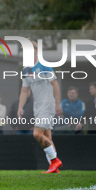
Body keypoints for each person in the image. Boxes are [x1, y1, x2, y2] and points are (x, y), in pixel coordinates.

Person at [17, 38, 63, 174]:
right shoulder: (25, 70)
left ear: (36, 51)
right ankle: (53, 167)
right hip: (38, 108)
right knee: (47, 136)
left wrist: (57, 103)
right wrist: (21, 107)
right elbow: (24, 91)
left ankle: (54, 161)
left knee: (37, 134)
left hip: (47, 106)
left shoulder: (44, 65)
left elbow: (55, 83)